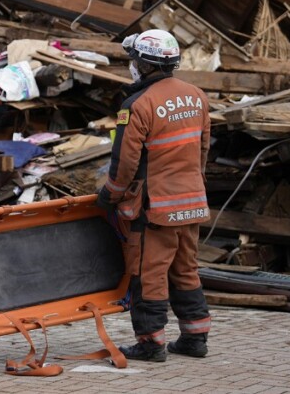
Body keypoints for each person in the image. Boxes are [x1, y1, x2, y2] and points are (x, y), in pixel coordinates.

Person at [97, 29, 212, 362]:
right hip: (191, 202)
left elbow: (125, 162)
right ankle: (195, 337)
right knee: (186, 269)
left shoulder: (136, 104)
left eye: (133, 60)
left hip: (155, 208)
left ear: (143, 64)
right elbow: (202, 150)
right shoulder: (197, 96)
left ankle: (151, 342)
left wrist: (110, 196)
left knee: (149, 273)